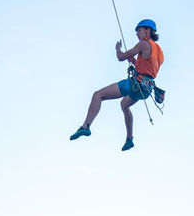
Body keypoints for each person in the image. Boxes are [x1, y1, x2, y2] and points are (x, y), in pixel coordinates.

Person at [69, 19, 164, 151]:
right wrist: (135, 61)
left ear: (148, 30)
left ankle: (85, 127)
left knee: (98, 95)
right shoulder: (159, 51)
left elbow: (120, 57)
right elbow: (148, 68)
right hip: (145, 89)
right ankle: (129, 139)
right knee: (124, 105)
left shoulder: (144, 44)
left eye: (139, 30)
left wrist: (118, 49)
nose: (137, 34)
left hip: (134, 84)